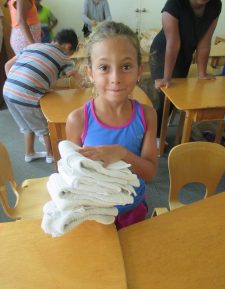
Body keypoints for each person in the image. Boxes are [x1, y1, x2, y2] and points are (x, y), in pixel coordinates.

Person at [66, 21, 158, 229]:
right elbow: (73, 177)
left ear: (139, 70)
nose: (116, 78)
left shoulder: (147, 115)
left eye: (126, 66)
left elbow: (150, 173)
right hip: (93, 214)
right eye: (104, 68)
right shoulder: (78, 120)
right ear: (90, 73)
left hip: (132, 209)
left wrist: (121, 153)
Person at [3, 29, 81, 163]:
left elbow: (7, 65)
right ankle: (51, 156)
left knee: (26, 126)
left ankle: (29, 153)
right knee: (44, 128)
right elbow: (74, 75)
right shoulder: (64, 57)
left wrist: (17, 83)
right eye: (72, 51)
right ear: (68, 47)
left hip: (8, 90)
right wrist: (83, 85)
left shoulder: (33, 46)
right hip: (26, 95)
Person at [149, 0, 222, 142]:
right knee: (163, 95)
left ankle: (160, 131)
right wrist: (166, 77)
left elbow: (204, 42)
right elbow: (173, 43)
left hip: (185, 54)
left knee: (175, 95)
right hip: (163, 51)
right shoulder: (174, 4)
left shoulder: (215, 5)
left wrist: (202, 74)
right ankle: (154, 136)